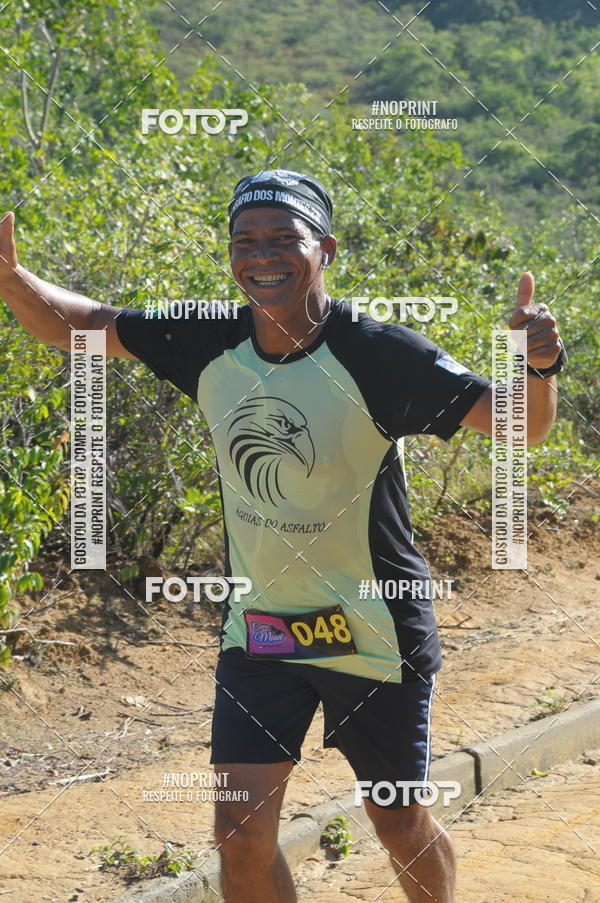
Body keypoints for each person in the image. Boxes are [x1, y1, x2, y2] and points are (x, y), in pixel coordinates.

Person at [0, 169, 565, 903]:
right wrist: (11, 277)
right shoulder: (207, 336)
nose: (261, 255)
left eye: (283, 238)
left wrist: (540, 366)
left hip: (373, 632)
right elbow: (77, 324)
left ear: (325, 248)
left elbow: (523, 426)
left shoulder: (380, 354)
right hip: (262, 631)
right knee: (239, 835)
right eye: (245, 241)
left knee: (397, 821)